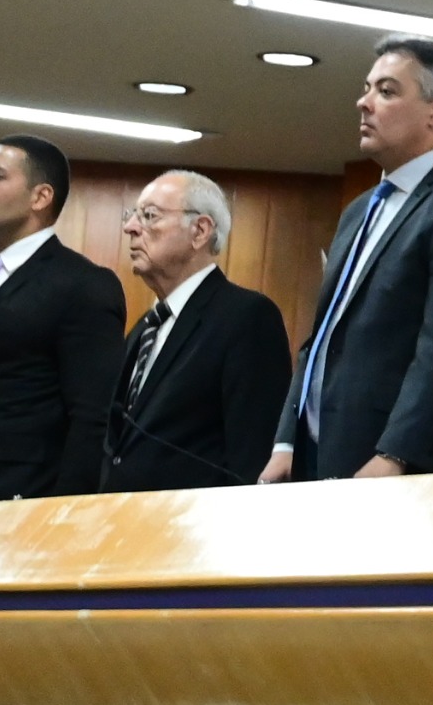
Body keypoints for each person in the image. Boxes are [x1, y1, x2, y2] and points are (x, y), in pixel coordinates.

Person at [267, 37, 433, 480]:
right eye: (367, 88)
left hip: (402, 468)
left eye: (386, 91)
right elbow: (322, 336)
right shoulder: (359, 210)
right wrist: (288, 441)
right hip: (318, 457)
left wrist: (395, 455)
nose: (364, 103)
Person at [0, 138, 125, 504]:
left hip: (19, 497)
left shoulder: (82, 284)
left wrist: (64, 510)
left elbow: (92, 416)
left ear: (40, 197)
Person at [100, 170, 294, 495]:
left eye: (149, 216)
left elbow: (253, 452)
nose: (130, 227)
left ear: (200, 230)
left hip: (198, 520)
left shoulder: (246, 317)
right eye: (132, 215)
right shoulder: (146, 327)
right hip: (124, 516)